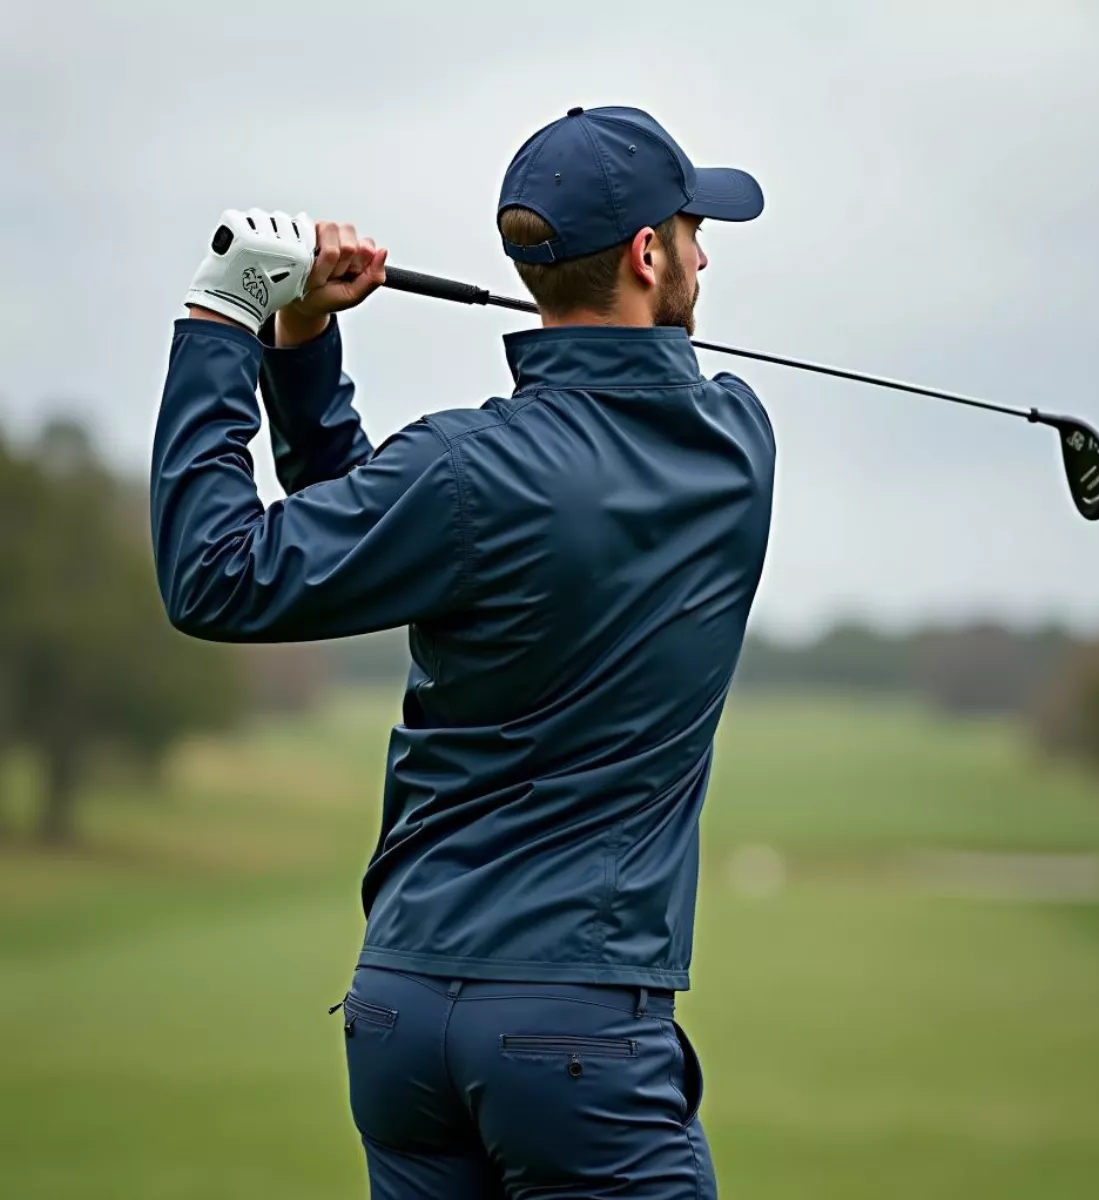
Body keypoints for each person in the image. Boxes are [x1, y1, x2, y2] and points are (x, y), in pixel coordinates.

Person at [152, 105, 774, 1199]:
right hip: (577, 1031)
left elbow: (242, 564)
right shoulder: (736, 444)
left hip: (399, 1015)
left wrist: (255, 326)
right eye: (690, 229)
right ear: (645, 255)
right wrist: (247, 327)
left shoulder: (465, 471)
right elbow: (316, 548)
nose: (703, 249)